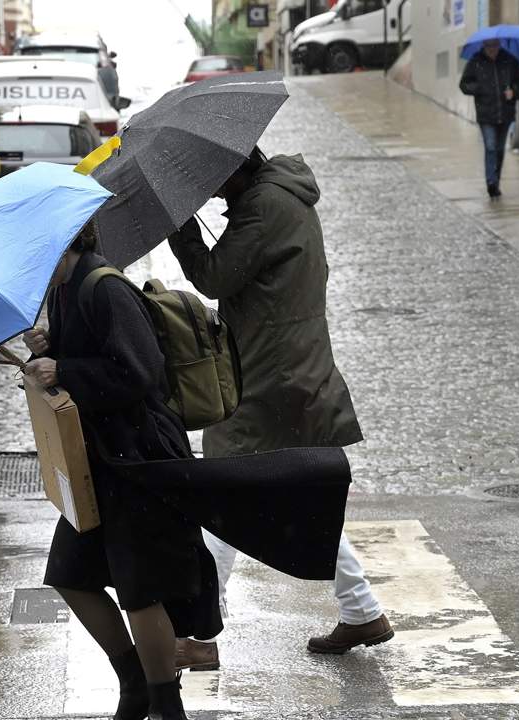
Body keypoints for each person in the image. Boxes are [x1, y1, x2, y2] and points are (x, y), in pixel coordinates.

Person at [167, 148, 393, 667]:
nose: (215, 192)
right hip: (286, 368)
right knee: (300, 498)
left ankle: (198, 635)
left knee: (222, 493)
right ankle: (361, 610)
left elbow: (214, 278)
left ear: (237, 169)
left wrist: (182, 225)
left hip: (272, 378)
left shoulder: (265, 205)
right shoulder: (277, 196)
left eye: (216, 181)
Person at [23, 223, 221, 720]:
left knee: (140, 589)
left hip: (137, 456)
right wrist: (48, 351)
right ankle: (133, 681)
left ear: (65, 241)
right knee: (71, 575)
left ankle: (163, 703)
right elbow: (92, 360)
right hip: (94, 460)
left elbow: (141, 373)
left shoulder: (106, 287)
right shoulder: (65, 289)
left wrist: (64, 370)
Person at [459, 39, 519, 198]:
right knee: (490, 147)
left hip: (505, 112)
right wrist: (479, 88)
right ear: (484, 46)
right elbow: (464, 85)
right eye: (489, 46)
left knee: (499, 150)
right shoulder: (476, 61)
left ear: (499, 45)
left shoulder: (509, 60)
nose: (492, 49)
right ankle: (491, 182)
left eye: (495, 45)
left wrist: (514, 92)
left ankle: (496, 181)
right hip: (486, 114)